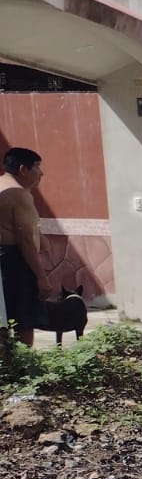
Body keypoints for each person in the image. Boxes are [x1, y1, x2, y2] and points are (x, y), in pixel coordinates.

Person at [0, 147, 46, 347]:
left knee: (6, 315)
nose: (41, 173)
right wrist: (42, 277)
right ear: (23, 169)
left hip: (5, 258)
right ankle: (25, 368)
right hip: (14, 260)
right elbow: (25, 240)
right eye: (37, 167)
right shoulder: (18, 194)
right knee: (23, 318)